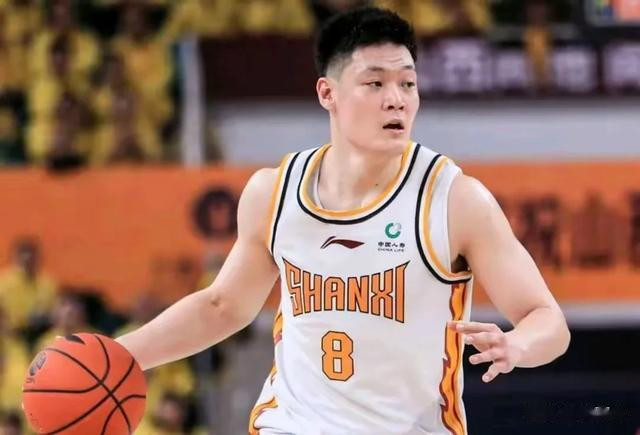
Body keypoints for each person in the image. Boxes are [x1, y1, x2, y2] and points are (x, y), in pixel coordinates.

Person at [117, 7, 570, 434]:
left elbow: (547, 320)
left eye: (408, 83)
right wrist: (117, 356)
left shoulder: (455, 200)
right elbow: (223, 307)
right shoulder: (273, 193)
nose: (396, 100)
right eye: (375, 83)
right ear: (327, 93)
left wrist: (516, 345)